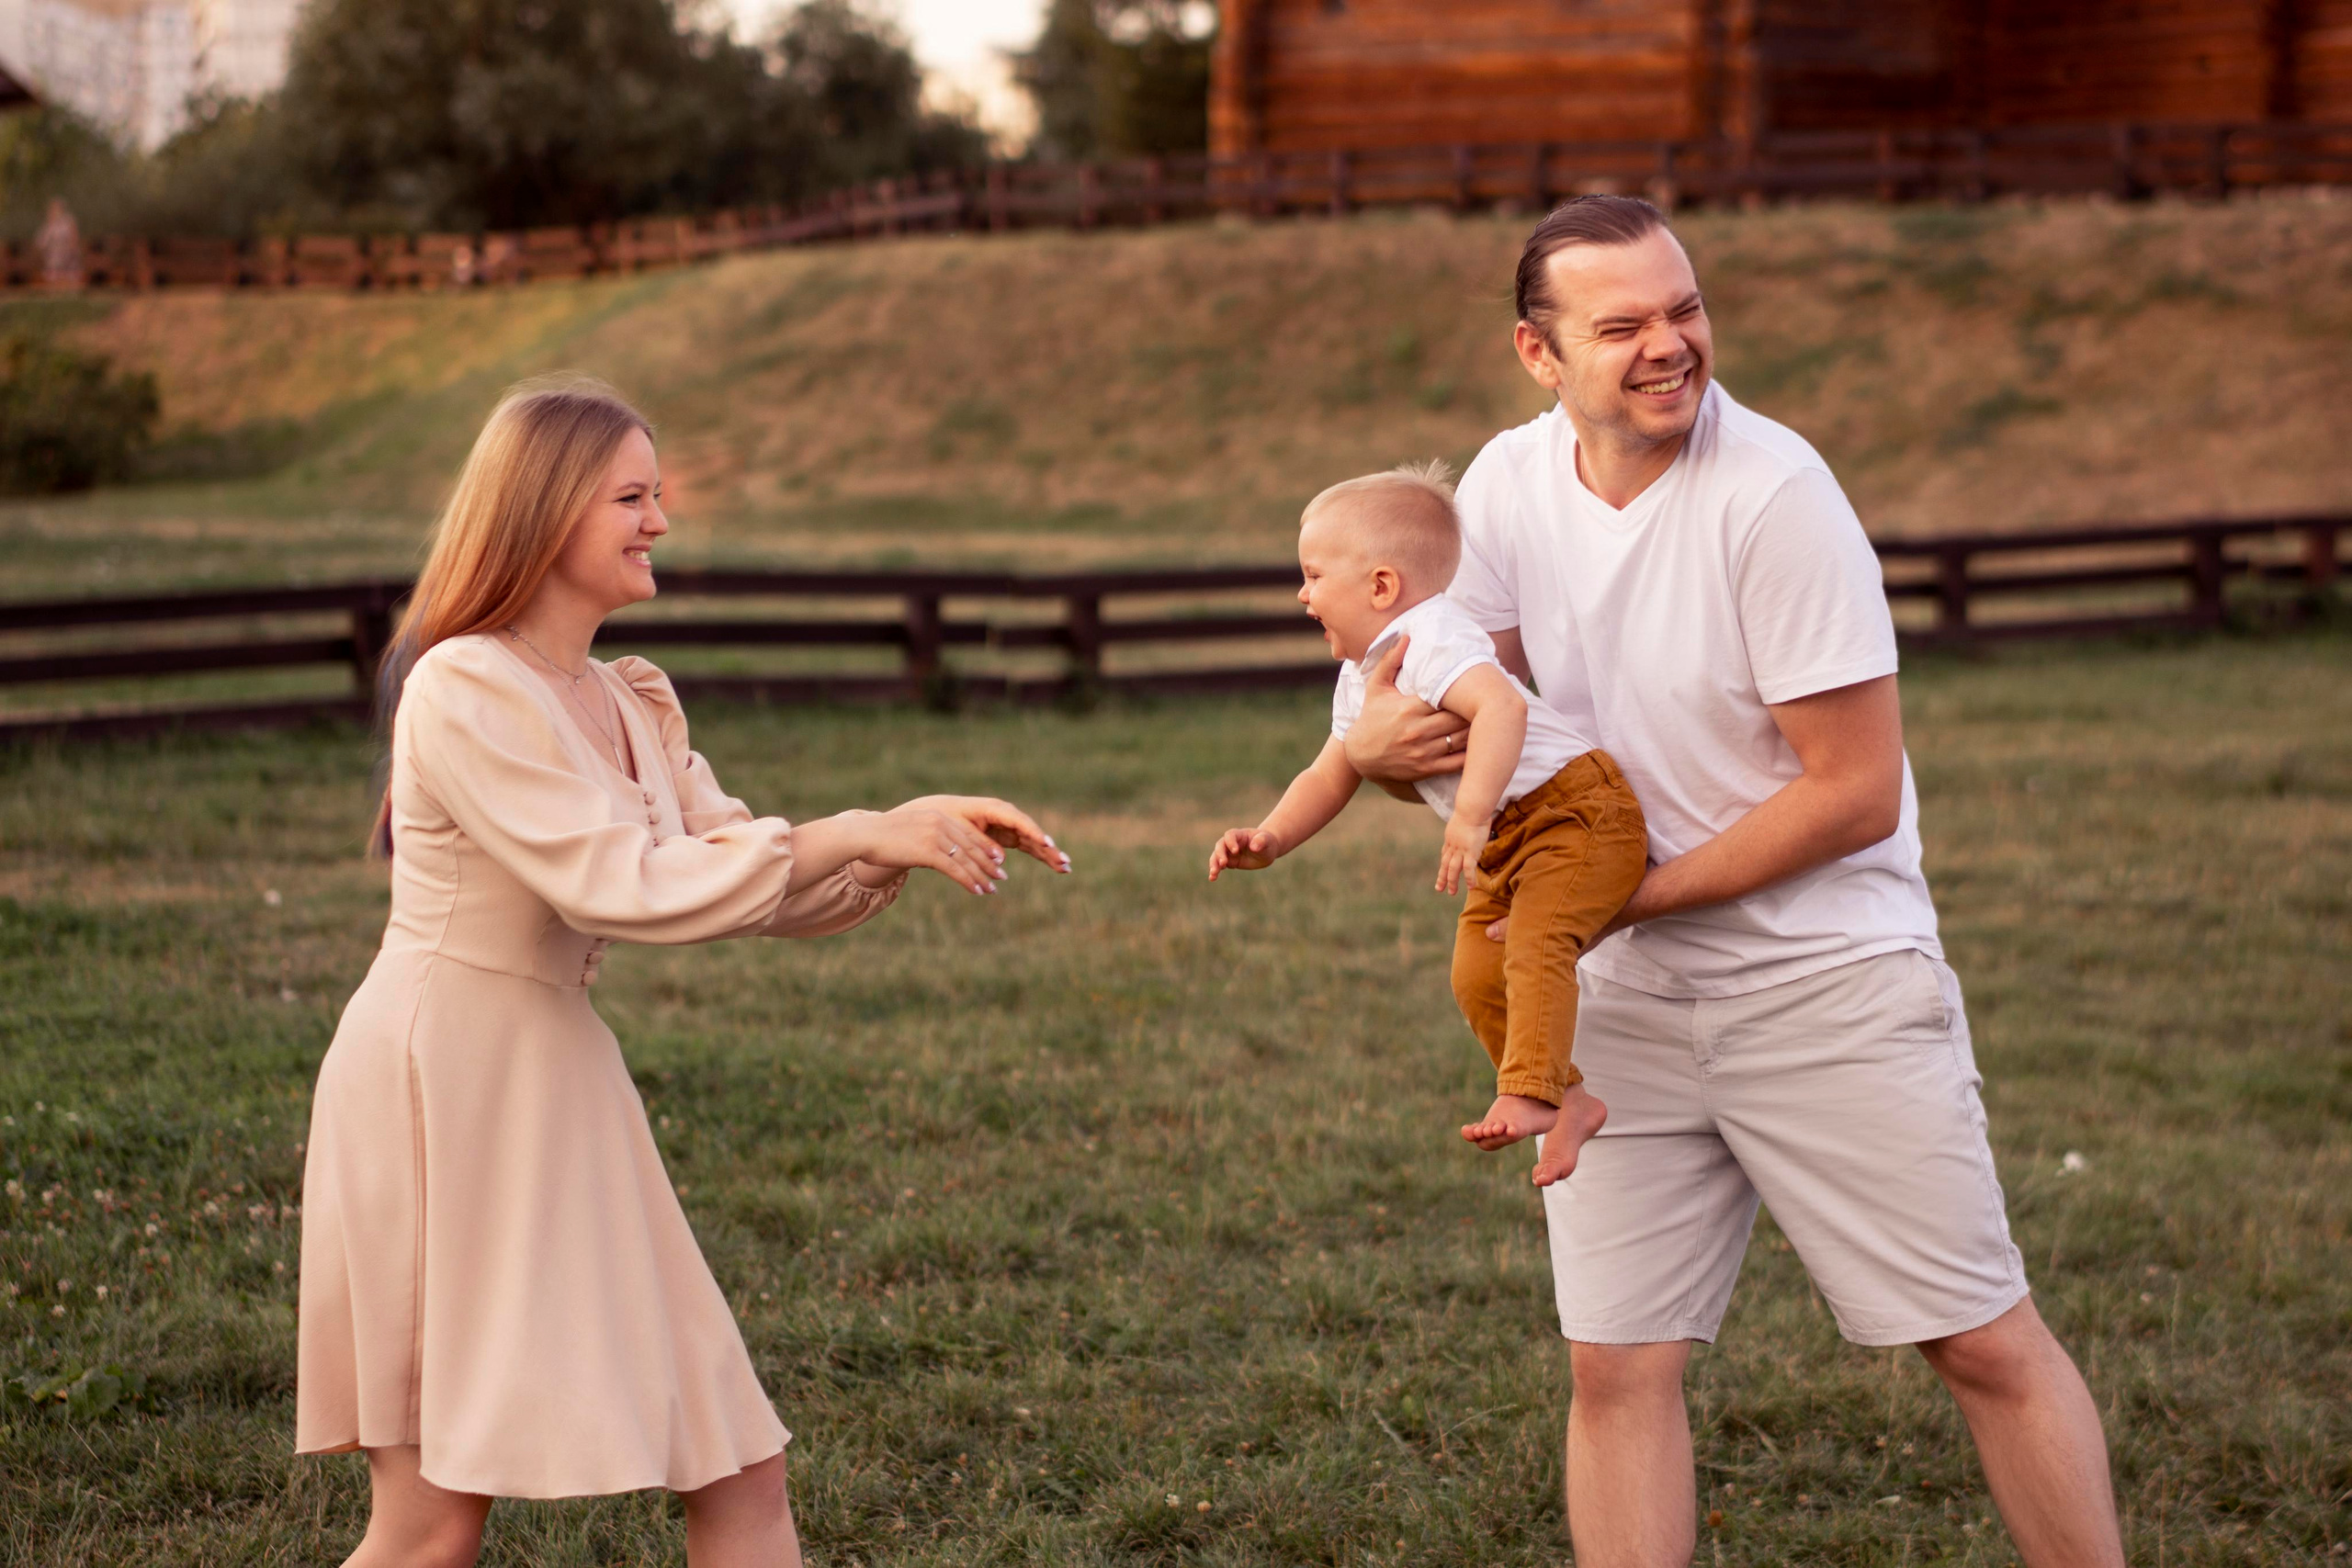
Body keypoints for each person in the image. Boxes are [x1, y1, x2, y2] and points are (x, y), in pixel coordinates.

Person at [1341, 197, 2126, 1568]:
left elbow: (1852, 789)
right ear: (1539, 354)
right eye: (1623, 324)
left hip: (1819, 978)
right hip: (1621, 1003)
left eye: (1685, 309)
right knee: (1616, 1366)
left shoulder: (1775, 495)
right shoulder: (1504, 489)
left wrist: (1615, 896)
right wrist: (1374, 744)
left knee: (1983, 1341)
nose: (1670, 345)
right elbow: (1481, 702)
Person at [296, 377, 1071, 1568]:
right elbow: (617, 880)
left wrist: (893, 837)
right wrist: (861, 825)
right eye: (630, 496)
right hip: (439, 1085)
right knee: (431, 1523)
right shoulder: (464, 687)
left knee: (738, 1459)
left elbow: (726, 866)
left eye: (660, 494)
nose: (659, 519)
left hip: (559, 1076)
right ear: (546, 510)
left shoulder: (628, 696)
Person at [1205, 460, 1647, 1187]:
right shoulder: (1362, 673)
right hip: (1508, 834)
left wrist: (1470, 816)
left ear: (1381, 586)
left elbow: (1501, 708)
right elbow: (1330, 770)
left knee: (1537, 940)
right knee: (1474, 973)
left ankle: (1531, 1090)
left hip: (1577, 811)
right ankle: (1569, 1098)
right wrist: (1271, 837)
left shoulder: (1432, 634)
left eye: (1314, 576)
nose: (1302, 593)